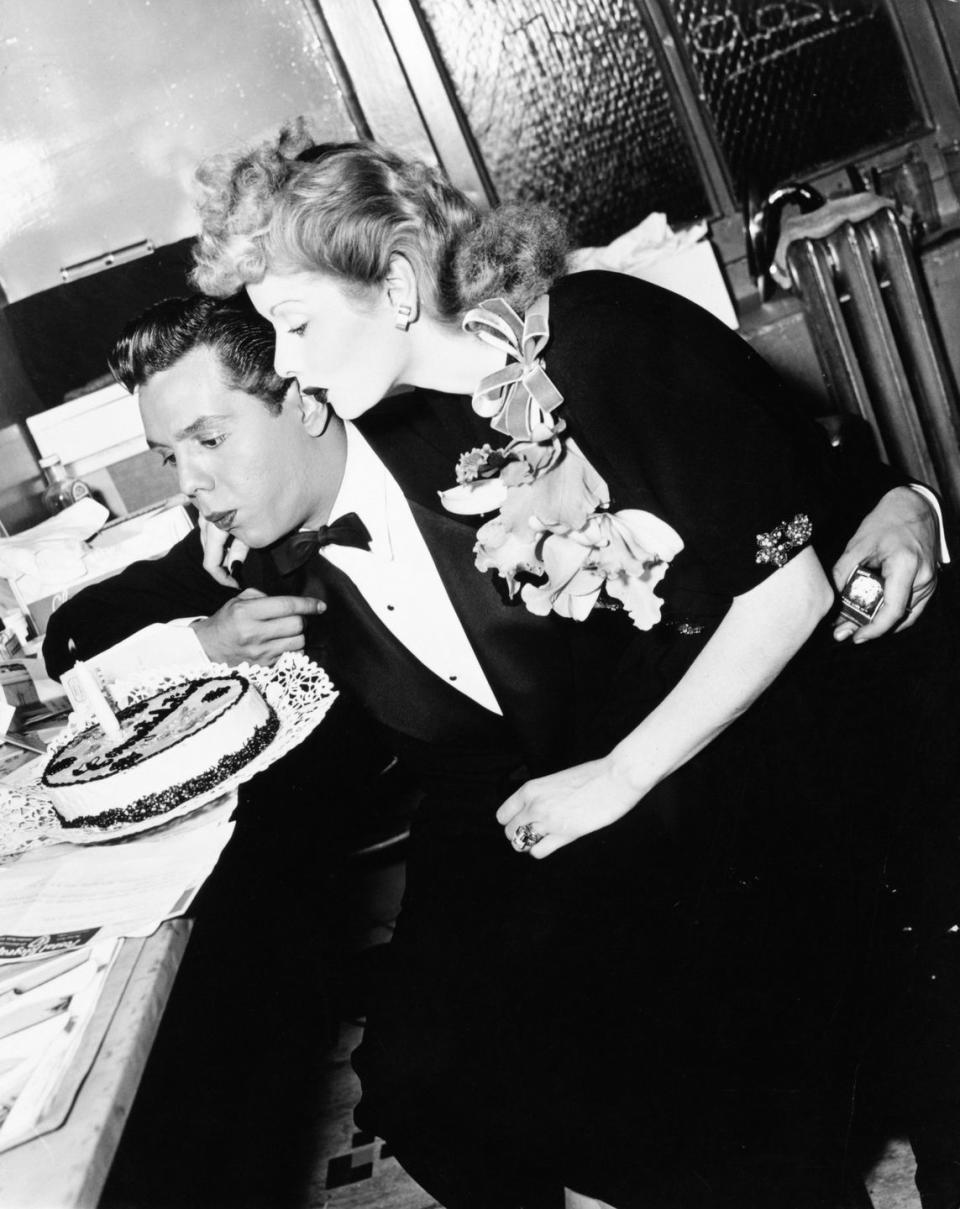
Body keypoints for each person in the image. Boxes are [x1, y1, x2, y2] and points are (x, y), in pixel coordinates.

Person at [45, 281, 949, 1209]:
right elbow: (75, 634)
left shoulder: (495, 426)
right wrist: (208, 636)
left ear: (304, 394)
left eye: (209, 438)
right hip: (496, 812)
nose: (190, 482)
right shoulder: (250, 543)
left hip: (674, 766)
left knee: (720, 1081)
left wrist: (898, 499)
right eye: (166, 455)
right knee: (414, 1079)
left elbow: (768, 470)